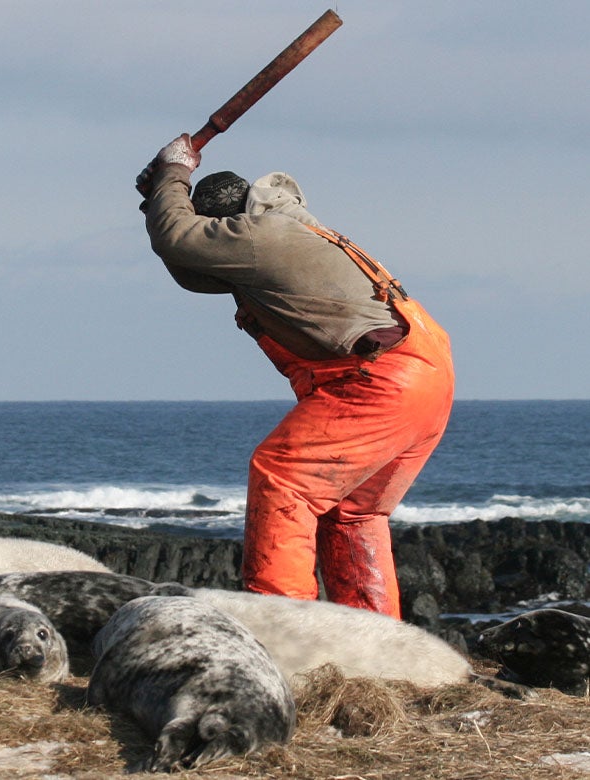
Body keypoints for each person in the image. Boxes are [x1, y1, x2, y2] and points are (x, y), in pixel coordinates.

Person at [135, 133, 454, 619]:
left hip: (378, 381)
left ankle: (287, 634)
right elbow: (189, 263)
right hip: (423, 378)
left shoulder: (259, 236)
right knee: (353, 514)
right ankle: (376, 644)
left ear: (228, 221)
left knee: (281, 477)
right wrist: (158, 200)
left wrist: (174, 173)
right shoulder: (291, 232)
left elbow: (179, 240)